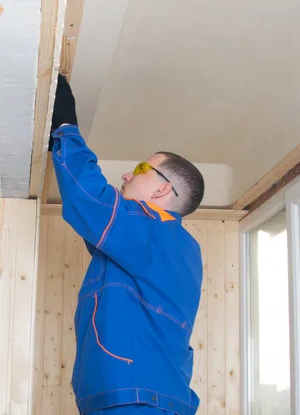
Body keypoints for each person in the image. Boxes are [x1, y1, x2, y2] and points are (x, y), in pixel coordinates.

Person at [48, 74, 205, 415]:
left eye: (140, 168)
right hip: (142, 400)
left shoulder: (161, 234)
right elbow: (96, 222)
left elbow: (90, 201)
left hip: (138, 402)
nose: (127, 175)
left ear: (163, 190)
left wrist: (65, 127)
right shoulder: (162, 244)